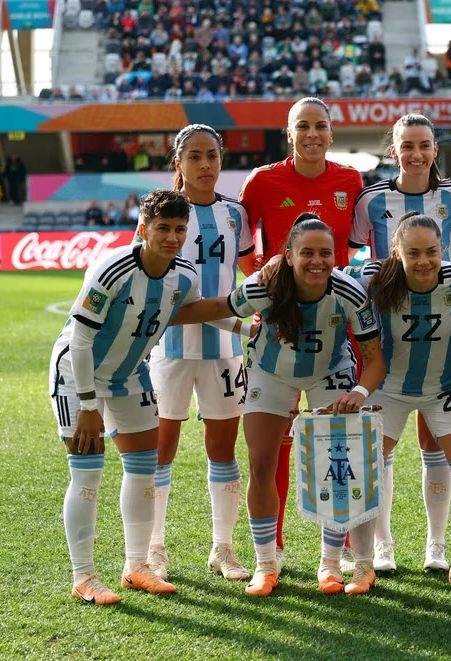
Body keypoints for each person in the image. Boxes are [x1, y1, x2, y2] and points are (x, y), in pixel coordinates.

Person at [172, 216, 386, 597]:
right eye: (306, 252)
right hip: (271, 374)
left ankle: (331, 564)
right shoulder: (265, 286)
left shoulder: (349, 292)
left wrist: (359, 392)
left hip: (329, 374)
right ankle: (266, 564)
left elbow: (375, 358)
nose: (316, 261)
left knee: (337, 469)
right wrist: (170, 314)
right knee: (261, 463)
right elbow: (227, 307)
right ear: (288, 256)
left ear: (336, 256)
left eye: (324, 253)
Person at [49, 190, 201, 605]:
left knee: (143, 469)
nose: (172, 237)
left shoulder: (186, 274)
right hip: (77, 374)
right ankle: (84, 576)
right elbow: (80, 341)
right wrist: (86, 406)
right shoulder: (112, 267)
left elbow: (188, 312)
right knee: (87, 475)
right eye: (163, 228)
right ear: (142, 229)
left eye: (180, 229)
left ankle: (136, 567)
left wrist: (245, 325)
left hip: (131, 374)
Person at [344, 213, 451, 591]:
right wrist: (275, 267)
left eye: (431, 251)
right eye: (413, 253)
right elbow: (330, 277)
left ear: (442, 249)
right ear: (396, 253)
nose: (424, 260)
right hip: (388, 389)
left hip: (445, 388)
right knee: (364, 474)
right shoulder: (375, 279)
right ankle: (363, 565)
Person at [239, 97, 364, 562]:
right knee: (274, 442)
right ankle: (272, 543)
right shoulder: (263, 180)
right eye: (303, 126)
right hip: (278, 327)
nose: (312, 133)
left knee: (336, 440)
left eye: (321, 126)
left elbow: (360, 245)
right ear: (288, 134)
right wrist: (263, 273)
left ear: (331, 133)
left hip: (335, 324)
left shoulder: (350, 180)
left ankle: (343, 545)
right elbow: (240, 241)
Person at [349, 114, 451, 571]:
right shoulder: (371, 198)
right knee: (382, 446)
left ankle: (436, 547)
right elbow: (354, 255)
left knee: (433, 441)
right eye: (407, 145)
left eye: (424, 145)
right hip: (385, 332)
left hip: (436, 325)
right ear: (393, 150)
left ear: (435, 149)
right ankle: (382, 547)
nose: (416, 153)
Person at [146, 124, 258, 583]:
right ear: (179, 162)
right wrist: (236, 320)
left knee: (223, 450)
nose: (205, 164)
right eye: (194, 156)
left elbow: (247, 272)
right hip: (170, 350)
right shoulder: (166, 212)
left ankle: (223, 548)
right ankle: (152, 548)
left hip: (226, 352)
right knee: (159, 450)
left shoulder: (235, 215)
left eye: (212, 155)